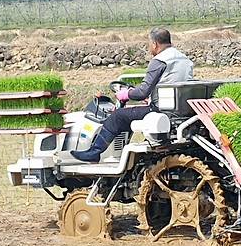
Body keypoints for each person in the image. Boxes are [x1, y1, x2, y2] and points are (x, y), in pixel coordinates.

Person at [71, 28, 193, 162]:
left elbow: (142, 92)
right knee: (129, 115)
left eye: (149, 44)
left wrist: (126, 94)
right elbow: (171, 83)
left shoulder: (159, 60)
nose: (149, 48)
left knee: (117, 116)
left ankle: (94, 152)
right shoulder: (184, 59)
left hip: (160, 110)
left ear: (155, 44)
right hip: (179, 109)